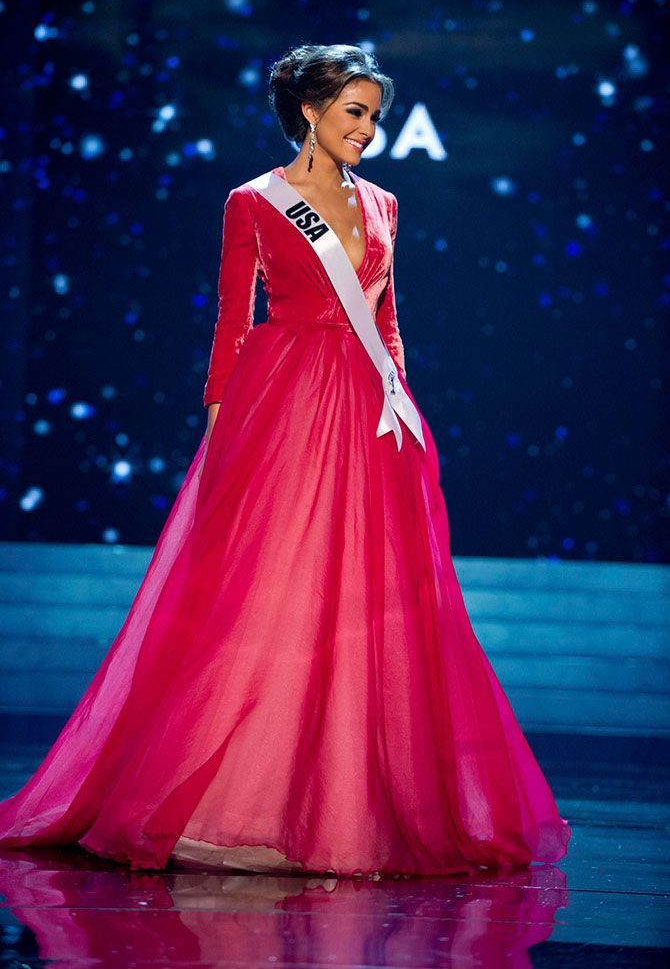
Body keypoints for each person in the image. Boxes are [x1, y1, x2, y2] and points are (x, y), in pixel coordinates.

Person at [0, 43, 571, 877]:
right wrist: (220, 435)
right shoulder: (254, 202)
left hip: (370, 414)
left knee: (368, 600)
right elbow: (233, 323)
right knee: (270, 588)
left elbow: (389, 320)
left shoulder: (384, 203)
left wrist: (401, 399)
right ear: (310, 110)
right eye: (354, 112)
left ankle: (357, 804)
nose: (369, 130)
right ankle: (230, 800)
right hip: (287, 406)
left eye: (374, 115)